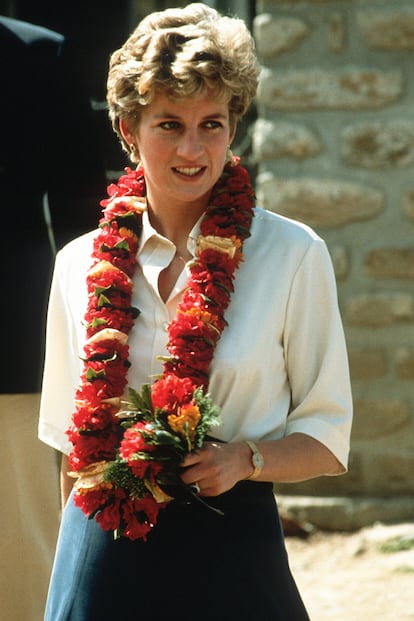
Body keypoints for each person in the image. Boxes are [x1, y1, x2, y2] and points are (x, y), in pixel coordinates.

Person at [38, 4, 353, 620]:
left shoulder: (293, 255)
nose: (192, 148)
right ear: (128, 129)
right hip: (106, 545)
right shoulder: (77, 265)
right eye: (168, 123)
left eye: (212, 123)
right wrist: (75, 578)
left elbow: (326, 438)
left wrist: (245, 459)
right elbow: (68, 456)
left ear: (234, 125)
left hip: (233, 551)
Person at [0, 15, 106, 620]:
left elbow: (82, 218)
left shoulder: (41, 55)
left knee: (26, 551)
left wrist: (97, 332)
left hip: (10, 342)